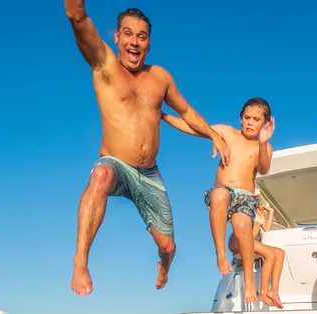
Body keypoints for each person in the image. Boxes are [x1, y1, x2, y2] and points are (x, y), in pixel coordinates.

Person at [65, 3, 230, 296]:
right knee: (100, 175)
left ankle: (163, 266)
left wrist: (213, 135)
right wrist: (76, 11)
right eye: (128, 34)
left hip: (149, 174)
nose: (134, 42)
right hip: (115, 163)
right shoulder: (104, 64)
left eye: (142, 37)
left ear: (149, 44)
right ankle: (80, 261)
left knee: (168, 246)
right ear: (116, 37)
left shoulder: (160, 78)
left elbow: (187, 111)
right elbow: (78, 19)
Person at [161, 98, 275, 305]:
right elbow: (195, 128)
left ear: (264, 123)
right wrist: (163, 116)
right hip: (223, 192)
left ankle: (250, 279)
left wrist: (263, 142)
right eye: (247, 118)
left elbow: (264, 168)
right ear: (240, 119)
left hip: (246, 197)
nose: (250, 122)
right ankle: (220, 253)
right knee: (219, 195)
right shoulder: (227, 132)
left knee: (242, 227)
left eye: (256, 120)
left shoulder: (263, 146)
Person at [228, 188, 285, 308]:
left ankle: (273, 291)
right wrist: (257, 223)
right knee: (270, 253)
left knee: (280, 252)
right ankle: (263, 292)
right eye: (256, 198)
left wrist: (271, 213)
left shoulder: (257, 212)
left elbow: (267, 230)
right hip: (237, 242)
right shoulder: (245, 211)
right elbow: (247, 237)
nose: (258, 201)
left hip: (249, 241)